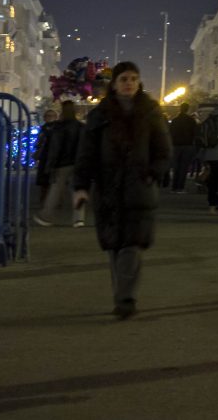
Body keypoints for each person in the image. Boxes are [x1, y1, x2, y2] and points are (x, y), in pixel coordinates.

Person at [74, 61, 171, 320]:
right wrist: (81, 187)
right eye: (124, 79)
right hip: (108, 190)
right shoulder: (100, 116)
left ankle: (126, 299)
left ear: (139, 83)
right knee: (114, 247)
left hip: (140, 189)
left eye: (133, 78)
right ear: (115, 84)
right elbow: (86, 154)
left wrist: (152, 173)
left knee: (131, 245)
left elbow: (163, 150)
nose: (129, 83)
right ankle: (121, 294)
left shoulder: (150, 112)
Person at [34, 101, 86, 227]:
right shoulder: (81, 127)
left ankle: (46, 216)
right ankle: (79, 219)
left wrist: (51, 164)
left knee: (55, 190)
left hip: (62, 163)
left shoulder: (58, 127)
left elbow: (55, 147)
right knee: (78, 190)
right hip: (78, 162)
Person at [168, 97, 203, 194]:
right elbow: (195, 133)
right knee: (183, 167)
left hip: (175, 146)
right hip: (187, 145)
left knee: (176, 167)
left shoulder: (175, 120)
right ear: (187, 109)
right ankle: (180, 187)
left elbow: (170, 133)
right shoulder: (191, 121)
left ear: (180, 109)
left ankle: (174, 187)